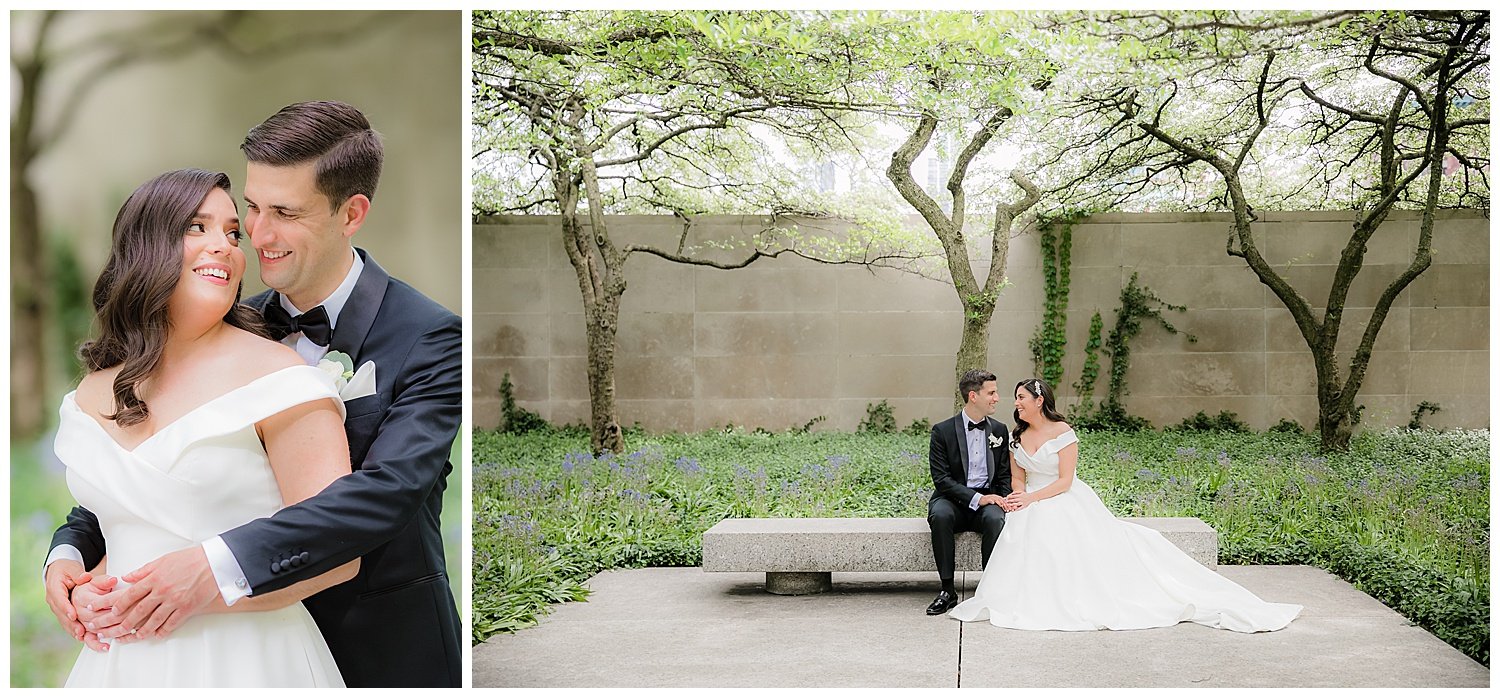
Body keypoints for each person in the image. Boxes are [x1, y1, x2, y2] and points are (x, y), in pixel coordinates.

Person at [45, 101, 463, 687]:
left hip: (377, 642)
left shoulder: (430, 336)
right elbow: (152, 471)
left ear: (352, 213)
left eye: (285, 213)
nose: (258, 237)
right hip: (172, 644)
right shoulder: (227, 328)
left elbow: (385, 492)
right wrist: (68, 553)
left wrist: (209, 567)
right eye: (252, 210)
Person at [50, 169, 352, 686]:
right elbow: (131, 529)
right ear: (147, 246)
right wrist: (77, 579)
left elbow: (338, 549)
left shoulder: (278, 376)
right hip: (118, 665)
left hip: (250, 661)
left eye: (233, 233)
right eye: (198, 227)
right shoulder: (91, 393)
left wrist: (206, 591)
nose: (226, 247)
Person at [948, 378, 1302, 632]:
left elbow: (1065, 481)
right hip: (1030, 499)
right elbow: (1019, 474)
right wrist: (1018, 496)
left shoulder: (1063, 432)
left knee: (1063, 536)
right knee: (1021, 533)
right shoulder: (1017, 436)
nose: (1016, 403)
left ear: (1039, 400)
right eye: (1014, 399)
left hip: (1062, 497)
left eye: (1021, 397)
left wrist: (1033, 498)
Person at [924, 369, 1015, 615]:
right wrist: (978, 498)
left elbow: (1005, 474)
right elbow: (941, 480)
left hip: (989, 499)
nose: (997, 398)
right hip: (952, 498)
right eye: (992, 393)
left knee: (996, 518)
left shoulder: (999, 429)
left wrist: (1004, 500)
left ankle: (989, 589)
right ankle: (946, 590)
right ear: (973, 396)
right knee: (940, 516)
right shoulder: (942, 431)